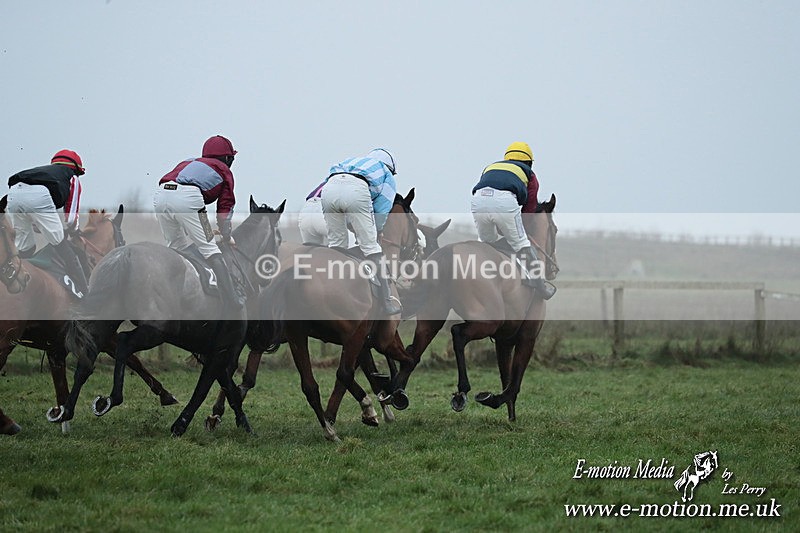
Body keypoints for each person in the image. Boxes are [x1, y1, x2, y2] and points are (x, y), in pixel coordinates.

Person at [154, 135, 245, 313]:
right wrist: (227, 235)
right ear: (227, 158)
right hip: (188, 198)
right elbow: (225, 208)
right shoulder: (224, 170)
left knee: (177, 249)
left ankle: (171, 295)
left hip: (160, 195)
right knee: (211, 248)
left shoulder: (189, 161)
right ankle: (232, 301)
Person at [320, 148, 401, 315]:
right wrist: (376, 231)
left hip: (328, 189)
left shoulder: (353, 160)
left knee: (336, 245)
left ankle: (326, 291)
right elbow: (382, 208)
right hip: (356, 190)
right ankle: (387, 302)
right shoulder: (387, 174)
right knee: (372, 248)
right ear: (391, 168)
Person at [471, 141, 555, 299]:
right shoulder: (530, 176)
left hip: (478, 200)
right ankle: (540, 285)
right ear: (529, 162)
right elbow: (529, 211)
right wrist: (522, 230)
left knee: (486, 243)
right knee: (522, 244)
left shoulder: (491, 167)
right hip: (505, 201)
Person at [6, 149, 89, 296]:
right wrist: (74, 231)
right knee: (60, 243)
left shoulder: (44, 173)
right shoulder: (72, 178)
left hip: (13, 194)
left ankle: (18, 279)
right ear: (75, 169)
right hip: (38, 197)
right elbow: (70, 218)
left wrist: (39, 224)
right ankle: (85, 290)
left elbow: (32, 209)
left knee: (25, 248)